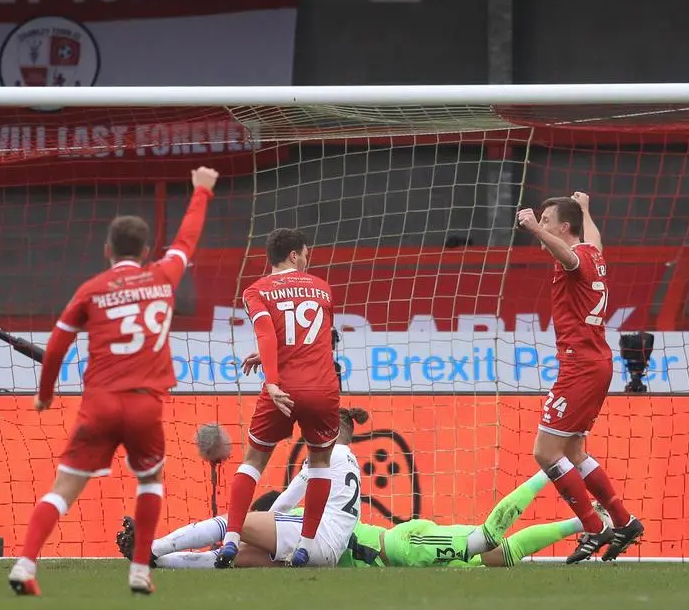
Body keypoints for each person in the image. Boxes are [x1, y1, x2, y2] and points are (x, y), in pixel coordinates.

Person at [7, 166, 219, 596]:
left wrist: (45, 395)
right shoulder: (163, 275)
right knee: (151, 481)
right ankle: (140, 571)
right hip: (145, 404)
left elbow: (55, 348)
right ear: (145, 251)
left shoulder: (91, 289)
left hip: (100, 403)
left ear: (107, 250)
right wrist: (200, 191)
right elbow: (186, 241)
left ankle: (25, 565)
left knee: (63, 489)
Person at [514, 192, 644, 563]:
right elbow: (592, 241)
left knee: (545, 451)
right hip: (595, 362)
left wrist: (534, 230)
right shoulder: (594, 255)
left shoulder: (574, 259)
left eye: (547, 220)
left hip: (580, 366)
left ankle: (593, 525)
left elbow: (568, 256)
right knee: (573, 451)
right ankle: (623, 520)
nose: (543, 225)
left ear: (563, 227)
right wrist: (587, 209)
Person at [134, 469, 581, 570]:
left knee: (241, 561)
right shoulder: (452, 556)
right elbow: (498, 541)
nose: (505, 558)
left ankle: (158, 560)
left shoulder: (483, 564)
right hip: (390, 546)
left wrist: (579, 525)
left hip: (369, 553)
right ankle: (154, 550)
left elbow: (512, 545)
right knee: (242, 535)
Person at [214, 228, 341, 568]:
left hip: (282, 387)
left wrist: (271, 380)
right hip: (321, 389)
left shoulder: (256, 291)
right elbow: (314, 339)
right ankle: (305, 546)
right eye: (306, 252)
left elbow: (269, 333)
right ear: (295, 256)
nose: (308, 257)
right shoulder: (322, 289)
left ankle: (231, 538)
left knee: (253, 461)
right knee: (320, 465)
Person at [119, 407, 371, 569]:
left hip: (315, 537)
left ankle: (152, 547)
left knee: (234, 523)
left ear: (332, 429)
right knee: (238, 559)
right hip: (329, 555)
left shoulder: (329, 453)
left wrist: (259, 526)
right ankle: (160, 563)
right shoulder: (351, 462)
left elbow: (287, 501)